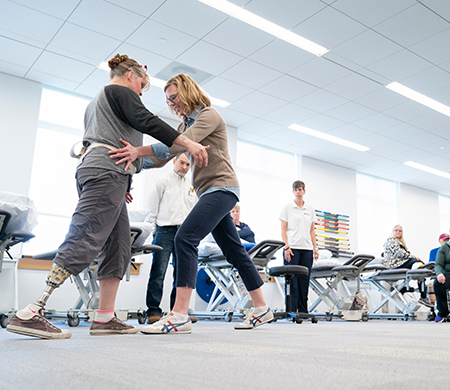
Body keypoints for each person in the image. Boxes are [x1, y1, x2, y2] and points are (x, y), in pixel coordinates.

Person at [6, 54, 208, 339]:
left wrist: (124, 180)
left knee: (119, 244)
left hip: (109, 174)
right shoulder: (118, 91)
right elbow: (146, 121)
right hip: (105, 173)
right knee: (86, 234)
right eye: (141, 85)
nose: (140, 92)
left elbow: (121, 145)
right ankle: (32, 311)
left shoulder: (99, 102)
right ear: (130, 76)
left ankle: (104, 317)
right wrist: (185, 140)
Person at [110, 73, 272, 333]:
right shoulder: (185, 127)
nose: (172, 103)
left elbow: (174, 147)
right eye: (168, 100)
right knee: (234, 251)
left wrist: (137, 150)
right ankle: (262, 307)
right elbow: (164, 157)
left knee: (184, 238)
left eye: (174, 97)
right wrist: (132, 164)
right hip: (209, 191)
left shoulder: (208, 115)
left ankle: (180, 314)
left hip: (222, 188)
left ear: (187, 91)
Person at [144, 154, 197, 324]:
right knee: (158, 271)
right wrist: (153, 228)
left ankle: (178, 311)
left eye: (188, 164)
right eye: (182, 163)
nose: (185, 167)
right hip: (164, 230)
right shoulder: (163, 181)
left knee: (181, 273)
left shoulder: (191, 185)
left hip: (185, 232)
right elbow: (152, 207)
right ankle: (153, 311)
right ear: (174, 162)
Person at [279, 180, 319, 314]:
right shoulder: (287, 208)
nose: (298, 192)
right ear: (293, 192)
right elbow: (283, 230)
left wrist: (315, 248)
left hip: (307, 249)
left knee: (304, 282)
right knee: (292, 282)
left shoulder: (310, 209)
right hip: (292, 248)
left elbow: (312, 230)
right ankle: (291, 311)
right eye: (296, 190)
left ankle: (303, 311)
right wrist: (286, 247)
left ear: (304, 191)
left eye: (300, 189)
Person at [383, 225, 432, 308]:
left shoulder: (399, 242)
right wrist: (414, 257)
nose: (398, 232)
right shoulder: (391, 240)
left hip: (399, 264)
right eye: (396, 230)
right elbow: (400, 253)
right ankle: (423, 295)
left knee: (419, 269)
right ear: (393, 231)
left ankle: (423, 293)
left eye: (400, 231)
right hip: (394, 266)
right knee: (418, 263)